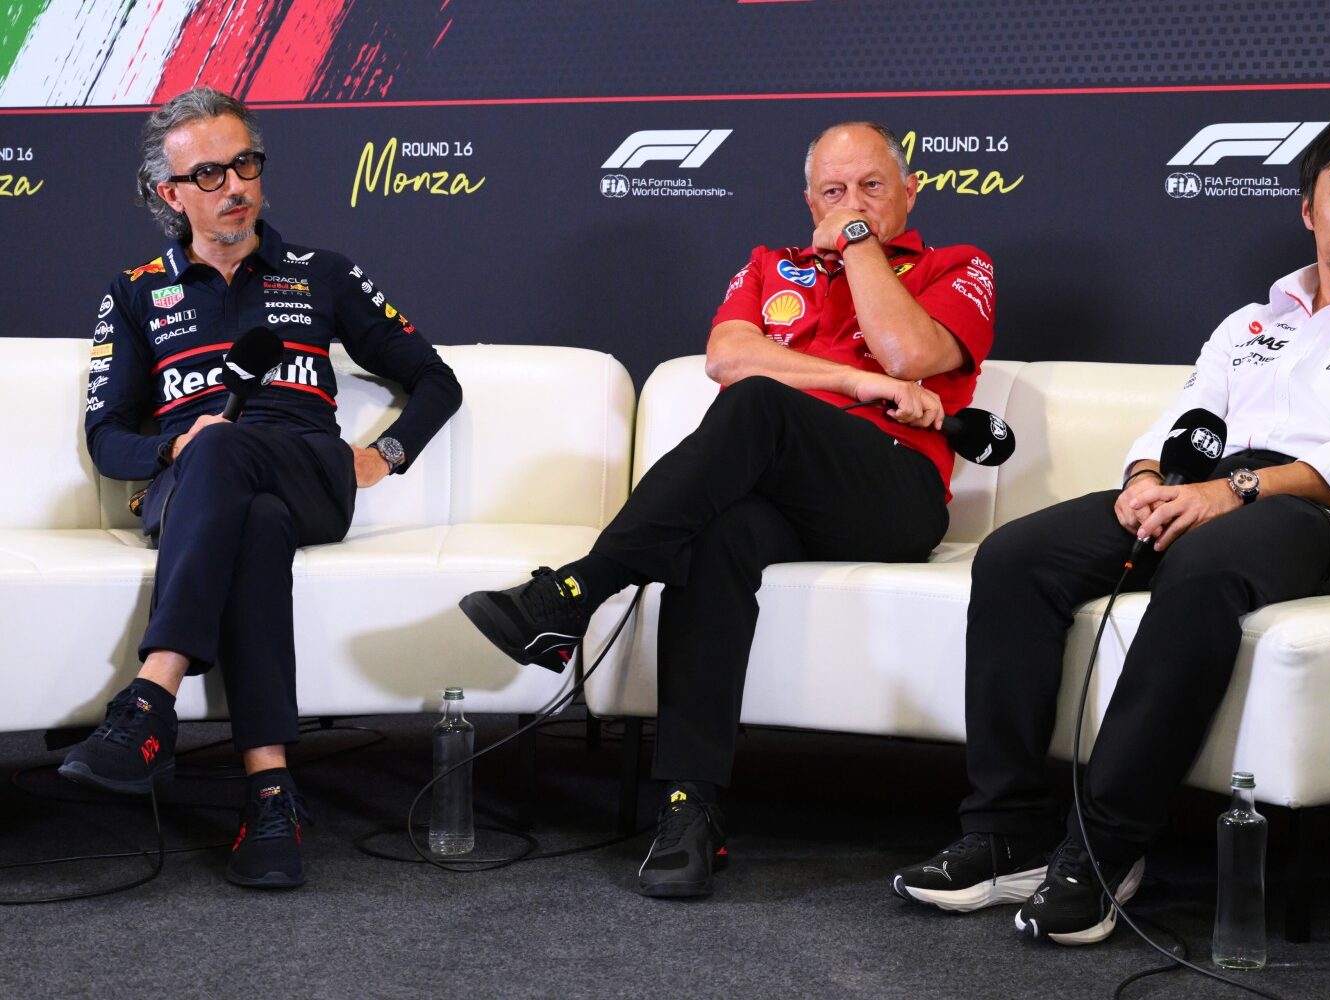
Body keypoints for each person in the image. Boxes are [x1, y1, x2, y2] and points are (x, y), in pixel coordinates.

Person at [893, 109, 1330, 944]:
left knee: (1206, 563)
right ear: (1309, 208)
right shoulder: (1251, 323)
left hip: (1319, 517)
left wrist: (1236, 489)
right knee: (1018, 555)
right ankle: (1005, 830)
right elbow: (1187, 414)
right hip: (1201, 491)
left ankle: (1105, 850)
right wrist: (1144, 478)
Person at [461, 121, 996, 897]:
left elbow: (907, 353)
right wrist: (855, 383)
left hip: (890, 492)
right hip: (781, 494)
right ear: (808, 201)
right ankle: (690, 809)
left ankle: (575, 590)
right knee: (719, 532)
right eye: (834, 192)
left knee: (759, 406)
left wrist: (855, 243)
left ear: (910, 192)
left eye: (872, 188)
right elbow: (728, 356)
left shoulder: (958, 265)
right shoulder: (770, 265)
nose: (853, 204)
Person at [61, 87, 462, 889]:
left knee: (233, 457)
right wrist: (174, 443)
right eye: (208, 174)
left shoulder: (323, 274)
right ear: (169, 193)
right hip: (197, 484)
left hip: (310, 468)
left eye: (244, 163)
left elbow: (435, 381)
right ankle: (271, 792)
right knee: (252, 512)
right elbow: (108, 438)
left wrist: (382, 455)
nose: (235, 186)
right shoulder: (136, 292)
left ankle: (150, 702)